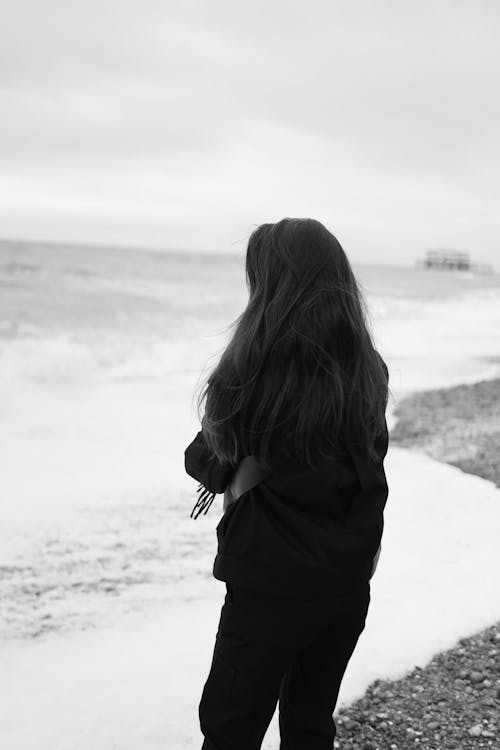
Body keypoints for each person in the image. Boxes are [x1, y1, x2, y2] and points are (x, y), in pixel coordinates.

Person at [184, 217, 390, 750]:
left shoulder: (251, 369)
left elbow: (208, 456)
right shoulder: (369, 370)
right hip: (347, 580)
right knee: (310, 722)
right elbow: (370, 463)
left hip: (268, 583)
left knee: (232, 726)